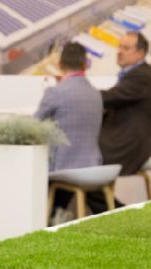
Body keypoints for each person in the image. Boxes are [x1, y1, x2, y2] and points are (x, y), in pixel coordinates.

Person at [91, 30, 151, 212]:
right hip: (128, 139)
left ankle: (116, 212)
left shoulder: (140, 76)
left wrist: (82, 95)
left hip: (134, 144)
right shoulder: (135, 74)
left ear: (141, 53)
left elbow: (111, 97)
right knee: (81, 159)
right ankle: (112, 211)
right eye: (119, 47)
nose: (119, 51)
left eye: (126, 48)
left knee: (82, 159)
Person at [35, 42, 103, 222]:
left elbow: (33, 127)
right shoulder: (96, 94)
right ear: (85, 65)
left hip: (64, 167)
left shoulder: (55, 93)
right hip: (93, 165)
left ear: (60, 65)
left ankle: (46, 222)